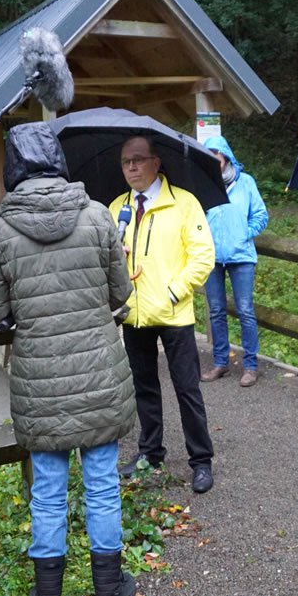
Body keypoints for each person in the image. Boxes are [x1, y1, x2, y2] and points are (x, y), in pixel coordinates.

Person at [0, 123, 138, 596]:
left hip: (39, 379)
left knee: (47, 489)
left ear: (13, 167)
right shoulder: (97, 216)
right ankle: (108, 592)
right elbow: (121, 294)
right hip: (98, 372)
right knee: (102, 484)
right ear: (58, 160)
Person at [109, 134, 217, 494]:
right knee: (143, 388)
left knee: (187, 389)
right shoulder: (116, 208)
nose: (132, 168)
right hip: (134, 314)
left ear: (156, 162)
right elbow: (102, 259)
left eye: (138, 160)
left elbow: (202, 257)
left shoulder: (184, 203)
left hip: (173, 314)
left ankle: (201, 461)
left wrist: (173, 292)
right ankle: (150, 453)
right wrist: (117, 264)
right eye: (126, 162)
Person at [199, 135, 269, 387]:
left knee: (246, 310)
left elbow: (260, 214)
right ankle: (221, 362)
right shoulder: (203, 183)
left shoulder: (245, 182)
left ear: (225, 155)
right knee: (216, 310)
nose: (212, 158)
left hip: (241, 256)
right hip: (212, 256)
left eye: (215, 154)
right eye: (207, 155)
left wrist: (244, 234)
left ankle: (251, 365)